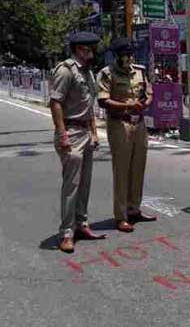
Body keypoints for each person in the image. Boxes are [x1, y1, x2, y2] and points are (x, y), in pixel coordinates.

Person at [49, 32, 106, 253]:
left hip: (84, 131)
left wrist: (94, 132)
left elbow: (87, 104)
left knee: (84, 184)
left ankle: (81, 224)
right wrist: (62, 135)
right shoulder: (65, 70)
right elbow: (55, 103)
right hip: (71, 132)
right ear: (80, 49)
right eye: (89, 48)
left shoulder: (86, 72)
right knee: (71, 186)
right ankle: (66, 233)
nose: (92, 52)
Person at [97, 38, 157, 233]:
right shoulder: (107, 74)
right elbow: (103, 101)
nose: (128, 58)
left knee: (138, 168)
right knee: (122, 171)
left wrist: (146, 101)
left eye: (130, 54)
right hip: (119, 123)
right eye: (124, 55)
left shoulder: (139, 71)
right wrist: (128, 105)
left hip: (138, 123)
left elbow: (148, 92)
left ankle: (134, 209)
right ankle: (121, 216)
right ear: (116, 56)